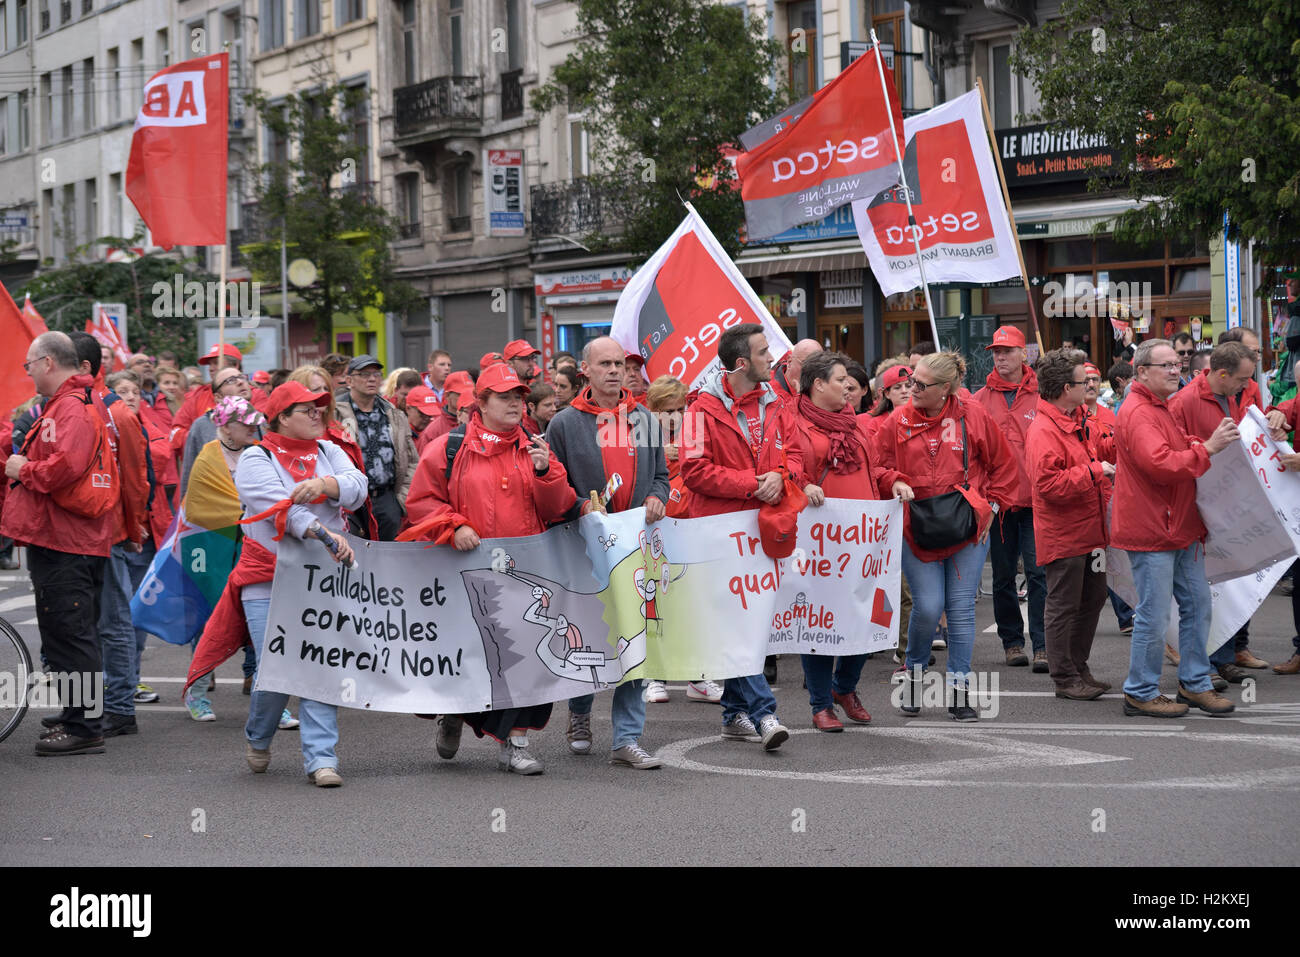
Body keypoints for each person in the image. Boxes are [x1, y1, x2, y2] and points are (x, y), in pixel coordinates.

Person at [401, 363, 578, 775]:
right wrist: (454, 525)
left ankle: (517, 743)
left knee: (526, 659)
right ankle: (453, 712)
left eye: (519, 396)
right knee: (471, 657)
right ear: (481, 402)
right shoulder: (449, 446)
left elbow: (559, 507)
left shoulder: (536, 446)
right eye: (504, 397)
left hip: (524, 574)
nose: (515, 403)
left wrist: (544, 471)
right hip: (464, 573)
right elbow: (422, 503)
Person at [544, 337, 670, 768]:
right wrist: (580, 504)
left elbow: (663, 476)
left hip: (635, 547)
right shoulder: (564, 423)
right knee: (587, 634)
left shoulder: (646, 420)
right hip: (584, 547)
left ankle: (627, 738)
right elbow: (551, 485)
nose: (616, 370)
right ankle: (579, 715)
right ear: (586, 370)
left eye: (620, 363)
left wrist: (657, 497)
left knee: (635, 637)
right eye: (606, 364)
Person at [235, 382, 368, 786]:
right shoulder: (254, 458)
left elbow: (358, 490)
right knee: (275, 669)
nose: (316, 414)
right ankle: (259, 736)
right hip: (267, 580)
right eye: (305, 409)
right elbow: (281, 512)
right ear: (280, 417)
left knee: (321, 667)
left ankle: (321, 759)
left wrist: (327, 486)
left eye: (319, 408)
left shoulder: (331, 450)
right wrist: (324, 535)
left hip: (322, 581)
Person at [679, 322, 801, 749]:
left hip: (765, 531)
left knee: (749, 625)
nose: (774, 359)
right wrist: (753, 482)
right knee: (734, 625)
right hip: (720, 533)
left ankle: (734, 714)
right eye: (765, 352)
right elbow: (692, 471)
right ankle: (764, 713)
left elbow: (797, 457)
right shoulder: (698, 410)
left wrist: (781, 478)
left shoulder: (778, 403)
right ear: (742, 363)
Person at [876, 352, 1017, 720]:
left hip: (966, 526)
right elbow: (875, 465)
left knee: (960, 610)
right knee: (926, 606)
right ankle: (913, 672)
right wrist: (894, 481)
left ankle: (959, 691)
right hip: (916, 525)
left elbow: (1004, 464)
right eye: (909, 382)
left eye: (920, 385)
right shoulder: (897, 420)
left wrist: (994, 507)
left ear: (945, 390)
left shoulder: (972, 415)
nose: (911, 390)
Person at [1113, 339, 1240, 718]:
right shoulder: (1137, 411)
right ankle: (1140, 691)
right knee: (1154, 614)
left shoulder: (1159, 405)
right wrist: (1208, 449)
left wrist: (1197, 444)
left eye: (1177, 364)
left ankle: (1195, 683)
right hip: (1153, 528)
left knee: (1198, 604)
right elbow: (1161, 465)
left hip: (1178, 524)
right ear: (1141, 372)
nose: (1175, 370)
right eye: (1165, 365)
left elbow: (1175, 447)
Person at [2, 332, 116, 754]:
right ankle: (76, 715)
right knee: (63, 631)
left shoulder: (72, 407)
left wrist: (22, 468)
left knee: (71, 632)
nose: (27, 371)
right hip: (60, 536)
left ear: (48, 362)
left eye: (29, 364)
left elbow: (62, 468)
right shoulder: (69, 404)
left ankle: (85, 728)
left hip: (68, 539)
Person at [794, 352, 912, 730]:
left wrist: (891, 480)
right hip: (819, 545)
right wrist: (804, 484)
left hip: (861, 542)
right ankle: (820, 704)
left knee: (869, 614)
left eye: (849, 379)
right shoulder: (792, 423)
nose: (849, 385)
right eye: (841, 379)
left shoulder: (857, 425)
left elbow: (873, 466)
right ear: (818, 385)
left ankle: (845, 686)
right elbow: (784, 467)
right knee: (818, 624)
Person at [1169, 341, 1271, 680]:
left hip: (1226, 502)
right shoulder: (1183, 401)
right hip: (1197, 504)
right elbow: (1175, 451)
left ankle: (1223, 658)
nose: (1247, 387)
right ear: (1222, 374)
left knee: (1226, 585)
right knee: (1202, 591)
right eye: (1243, 380)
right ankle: (1203, 663)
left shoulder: (1231, 395)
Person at [67, 334, 151, 740]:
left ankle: (119, 707)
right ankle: (92, 703)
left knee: (114, 622)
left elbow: (137, 478)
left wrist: (134, 529)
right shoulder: (73, 407)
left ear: (84, 368)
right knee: (83, 625)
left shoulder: (119, 412)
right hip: (76, 533)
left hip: (110, 533)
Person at [1025, 351, 1114, 700]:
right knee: (1064, 603)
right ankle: (1064, 676)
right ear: (1066, 388)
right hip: (1064, 534)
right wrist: (1095, 471)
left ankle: (1078, 666)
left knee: (1093, 597)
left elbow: (1097, 448)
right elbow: (1047, 486)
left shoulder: (1074, 418)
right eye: (1084, 382)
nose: (1090, 385)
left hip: (1089, 530)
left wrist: (1117, 443)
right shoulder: (1044, 429)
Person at [180, 394, 268, 721]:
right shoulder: (208, 457)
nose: (254, 427)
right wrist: (243, 513)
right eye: (246, 422)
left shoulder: (258, 454)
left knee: (262, 625)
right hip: (213, 551)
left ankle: (272, 704)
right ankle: (197, 694)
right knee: (211, 624)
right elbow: (197, 508)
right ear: (227, 427)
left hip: (253, 549)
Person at [641, 375, 723, 704]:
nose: (675, 416)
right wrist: (662, 451)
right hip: (657, 532)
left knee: (694, 608)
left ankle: (698, 677)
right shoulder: (639, 434)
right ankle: (655, 676)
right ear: (654, 410)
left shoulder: (696, 432)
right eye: (667, 410)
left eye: (681, 408)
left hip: (693, 529)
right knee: (655, 606)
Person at [973, 325, 1048, 672]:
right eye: (996, 352)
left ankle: (1043, 645)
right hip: (998, 504)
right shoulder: (979, 399)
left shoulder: (1042, 394)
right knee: (1002, 577)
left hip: (1036, 501)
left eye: (1007, 351)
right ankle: (1012, 643)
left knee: (1037, 574)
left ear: (1024, 354)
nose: (1000, 357)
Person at [104, 370, 176, 710]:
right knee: (118, 613)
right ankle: (119, 682)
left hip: (151, 531)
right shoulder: (108, 428)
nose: (131, 396)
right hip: (123, 530)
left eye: (135, 390)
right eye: (122, 391)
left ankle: (127, 679)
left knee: (137, 612)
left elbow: (161, 465)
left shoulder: (149, 426)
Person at [334, 355, 417, 540]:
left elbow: (412, 459)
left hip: (387, 498)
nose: (372, 379)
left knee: (388, 558)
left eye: (376, 374)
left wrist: (400, 501)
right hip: (351, 501)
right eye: (364, 374)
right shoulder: (335, 413)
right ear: (349, 381)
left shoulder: (394, 414)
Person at [418, 370, 475, 453]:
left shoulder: (482, 421)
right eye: (461, 394)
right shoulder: (432, 432)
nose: (468, 397)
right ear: (447, 396)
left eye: (472, 393)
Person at [771, 338, 823, 403]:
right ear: (789, 361)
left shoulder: (822, 390)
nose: (813, 371)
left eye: (818, 366)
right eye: (806, 365)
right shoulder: (768, 390)